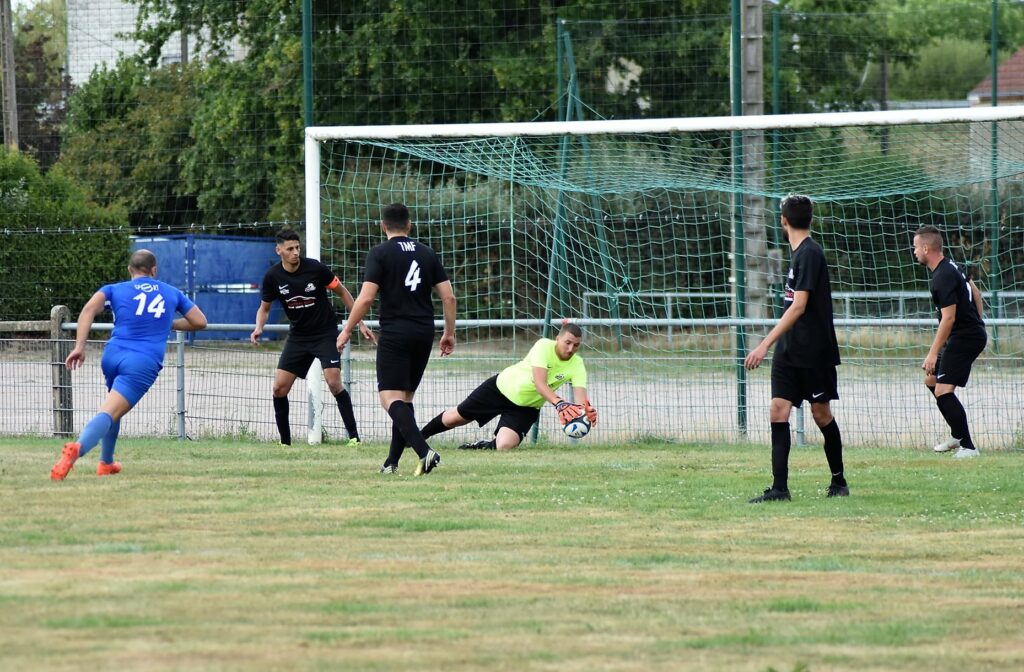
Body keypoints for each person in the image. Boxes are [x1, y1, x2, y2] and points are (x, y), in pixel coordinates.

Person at [51, 249, 208, 480]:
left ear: (129, 270)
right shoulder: (171, 292)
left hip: (113, 355)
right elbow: (200, 321)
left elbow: (88, 310)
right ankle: (77, 449)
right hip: (142, 362)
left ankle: (106, 462)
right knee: (109, 411)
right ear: (154, 270)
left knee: (113, 409)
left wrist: (79, 347)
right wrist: (166, 324)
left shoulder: (113, 289)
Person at [337, 203, 456, 476]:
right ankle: (391, 462)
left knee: (389, 399)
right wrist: (449, 333)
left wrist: (346, 330)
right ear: (410, 225)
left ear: (383, 225)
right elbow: (448, 297)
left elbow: (366, 298)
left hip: (395, 332)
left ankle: (425, 452)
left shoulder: (379, 253)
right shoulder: (427, 252)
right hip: (423, 332)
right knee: (404, 399)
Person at [743, 194, 848, 502]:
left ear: (783, 221)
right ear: (809, 219)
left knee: (821, 414)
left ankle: (839, 482)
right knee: (778, 411)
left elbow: (799, 305)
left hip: (814, 352)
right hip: (790, 351)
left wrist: (763, 344)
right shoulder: (798, 253)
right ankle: (779, 489)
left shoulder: (810, 253)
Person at [250, 229, 374, 446]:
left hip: (325, 333)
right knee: (279, 388)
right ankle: (285, 443)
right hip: (298, 337)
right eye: (290, 249)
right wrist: (259, 327)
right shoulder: (273, 277)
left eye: (297, 247)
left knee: (334, 382)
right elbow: (264, 308)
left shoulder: (315, 268)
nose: (295, 252)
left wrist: (359, 323)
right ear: (278, 251)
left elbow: (343, 291)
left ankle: (354, 439)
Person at [418, 322, 597, 452]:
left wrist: (585, 413)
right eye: (568, 342)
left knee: (504, 445)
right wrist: (560, 403)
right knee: (454, 419)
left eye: (576, 345)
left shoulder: (577, 364)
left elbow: (581, 400)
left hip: (526, 407)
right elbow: (540, 383)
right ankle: (417, 438)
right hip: (501, 389)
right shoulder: (543, 346)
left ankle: (482, 446)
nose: (571, 348)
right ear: (557, 339)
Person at [912, 225, 987, 459]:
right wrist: (978, 319)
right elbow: (975, 291)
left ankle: (968, 446)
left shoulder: (941, 277)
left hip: (965, 337)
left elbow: (949, 317)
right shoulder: (952, 265)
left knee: (944, 390)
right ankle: (957, 434)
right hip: (966, 333)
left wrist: (933, 353)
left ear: (926, 248)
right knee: (931, 379)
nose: (914, 252)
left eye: (915, 247)